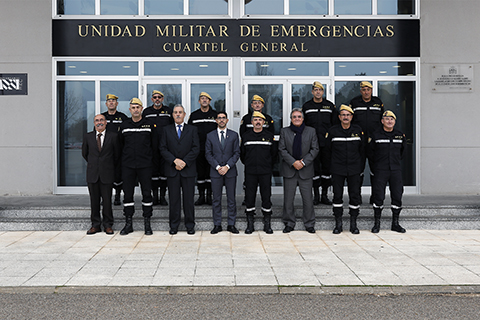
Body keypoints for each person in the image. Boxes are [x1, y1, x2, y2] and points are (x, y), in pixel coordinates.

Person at [118, 98, 158, 236]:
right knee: (128, 195)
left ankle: (147, 223)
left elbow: (154, 146)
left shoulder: (149, 125)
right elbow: (120, 146)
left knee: (147, 194)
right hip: (128, 166)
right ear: (130, 110)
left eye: (138, 107)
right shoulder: (124, 125)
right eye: (133, 107)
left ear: (142, 109)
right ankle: (128, 223)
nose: (135, 109)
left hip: (145, 166)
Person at [160, 104, 200, 235]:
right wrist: (174, 161)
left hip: (188, 170)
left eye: (180, 112)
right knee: (174, 200)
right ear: (172, 115)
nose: (178, 114)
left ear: (184, 115)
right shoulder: (166, 130)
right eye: (175, 112)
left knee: (189, 200)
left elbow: (196, 148)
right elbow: (163, 148)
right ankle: (174, 225)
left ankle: (190, 225)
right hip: (173, 170)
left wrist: (184, 162)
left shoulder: (192, 129)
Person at [326, 105, 365, 234]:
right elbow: (327, 151)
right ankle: (338, 224)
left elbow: (362, 150)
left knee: (354, 196)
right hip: (337, 168)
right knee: (337, 196)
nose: (345, 117)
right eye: (343, 115)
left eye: (348, 115)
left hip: (354, 169)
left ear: (352, 117)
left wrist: (360, 167)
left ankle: (353, 224)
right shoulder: (332, 131)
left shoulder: (358, 130)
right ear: (339, 117)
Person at [279, 108, 319, 233]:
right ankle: (289, 223)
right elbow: (282, 149)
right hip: (290, 170)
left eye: (299, 117)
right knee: (288, 199)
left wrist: (302, 162)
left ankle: (309, 223)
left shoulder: (311, 131)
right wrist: (293, 162)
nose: (297, 119)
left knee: (307, 199)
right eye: (294, 117)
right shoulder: (284, 131)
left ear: (303, 119)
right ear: (291, 119)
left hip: (305, 170)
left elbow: (315, 149)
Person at [368, 110, 407, 233]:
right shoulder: (376, 135)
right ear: (382, 121)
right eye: (387, 119)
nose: (389, 121)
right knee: (378, 196)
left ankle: (395, 223)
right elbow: (371, 153)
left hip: (395, 170)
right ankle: (377, 223)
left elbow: (402, 153)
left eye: (392, 119)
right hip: (381, 170)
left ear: (395, 121)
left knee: (397, 195)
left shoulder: (400, 135)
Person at [82, 114, 121, 235]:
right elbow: (85, 153)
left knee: (107, 201)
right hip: (93, 173)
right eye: (97, 120)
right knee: (94, 201)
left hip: (107, 173)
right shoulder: (88, 137)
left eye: (101, 120)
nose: (99, 122)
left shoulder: (113, 136)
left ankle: (108, 225)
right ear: (94, 123)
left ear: (106, 122)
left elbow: (117, 155)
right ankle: (95, 225)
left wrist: (106, 165)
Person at [240, 111, 277, 234]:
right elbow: (242, 155)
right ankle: (250, 223)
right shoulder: (246, 136)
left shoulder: (269, 135)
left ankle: (267, 223)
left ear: (263, 122)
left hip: (265, 172)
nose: (257, 122)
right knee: (250, 197)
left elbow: (274, 155)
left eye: (260, 120)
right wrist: (249, 164)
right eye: (255, 120)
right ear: (251, 122)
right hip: (250, 172)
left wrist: (267, 165)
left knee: (266, 197)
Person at [205, 112, 241, 234]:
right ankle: (217, 224)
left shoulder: (234, 135)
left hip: (230, 172)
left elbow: (237, 153)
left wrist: (226, 166)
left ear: (227, 120)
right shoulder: (210, 136)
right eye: (219, 118)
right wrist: (217, 167)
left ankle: (231, 224)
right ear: (216, 120)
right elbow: (208, 154)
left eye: (223, 118)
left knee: (231, 199)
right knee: (216, 199)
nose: (221, 120)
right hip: (215, 172)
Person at [302, 81, 337, 205]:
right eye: (315, 90)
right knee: (314, 170)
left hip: (327, 144)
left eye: (320, 90)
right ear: (312, 92)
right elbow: (303, 126)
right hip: (312, 144)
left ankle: (325, 195)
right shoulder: (306, 106)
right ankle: (316, 195)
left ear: (323, 92)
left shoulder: (330, 106)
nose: (318, 92)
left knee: (327, 170)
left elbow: (334, 125)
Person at [349, 81, 384, 204]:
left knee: (376, 171)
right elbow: (350, 122)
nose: (366, 92)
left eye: (368, 89)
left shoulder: (378, 102)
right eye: (364, 90)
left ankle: (375, 196)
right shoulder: (354, 102)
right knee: (358, 171)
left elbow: (383, 121)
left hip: (375, 143)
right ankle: (356, 197)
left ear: (371, 90)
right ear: (361, 91)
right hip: (359, 143)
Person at [239, 94, 275, 205]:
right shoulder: (246, 118)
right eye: (255, 103)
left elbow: (271, 137)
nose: (257, 105)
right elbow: (243, 135)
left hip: (264, 159)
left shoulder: (268, 119)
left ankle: (267, 202)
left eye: (259, 103)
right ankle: (247, 199)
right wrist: (248, 160)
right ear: (251, 105)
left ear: (263, 105)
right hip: (251, 156)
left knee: (266, 187)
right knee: (249, 184)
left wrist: (269, 160)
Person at [143, 90, 173, 206]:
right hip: (151, 147)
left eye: (159, 97)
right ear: (151, 99)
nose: (157, 99)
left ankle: (162, 196)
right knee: (153, 173)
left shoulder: (168, 111)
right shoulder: (146, 112)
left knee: (164, 173)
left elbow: (172, 128)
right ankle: (154, 196)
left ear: (162, 99)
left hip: (165, 147)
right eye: (155, 97)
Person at [188, 92, 218, 206]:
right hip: (198, 149)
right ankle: (201, 196)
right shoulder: (194, 115)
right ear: (199, 101)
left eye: (206, 99)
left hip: (212, 150)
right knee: (200, 174)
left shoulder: (215, 115)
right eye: (202, 98)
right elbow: (189, 133)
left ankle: (209, 196)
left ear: (210, 101)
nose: (204, 100)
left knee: (211, 173)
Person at [101, 94, 128, 205]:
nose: (111, 103)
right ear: (106, 104)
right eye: (109, 101)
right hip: (105, 152)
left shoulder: (123, 117)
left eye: (113, 101)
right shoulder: (102, 117)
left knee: (118, 175)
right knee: (104, 175)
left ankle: (117, 196)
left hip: (119, 151)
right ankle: (105, 198)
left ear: (117, 104)